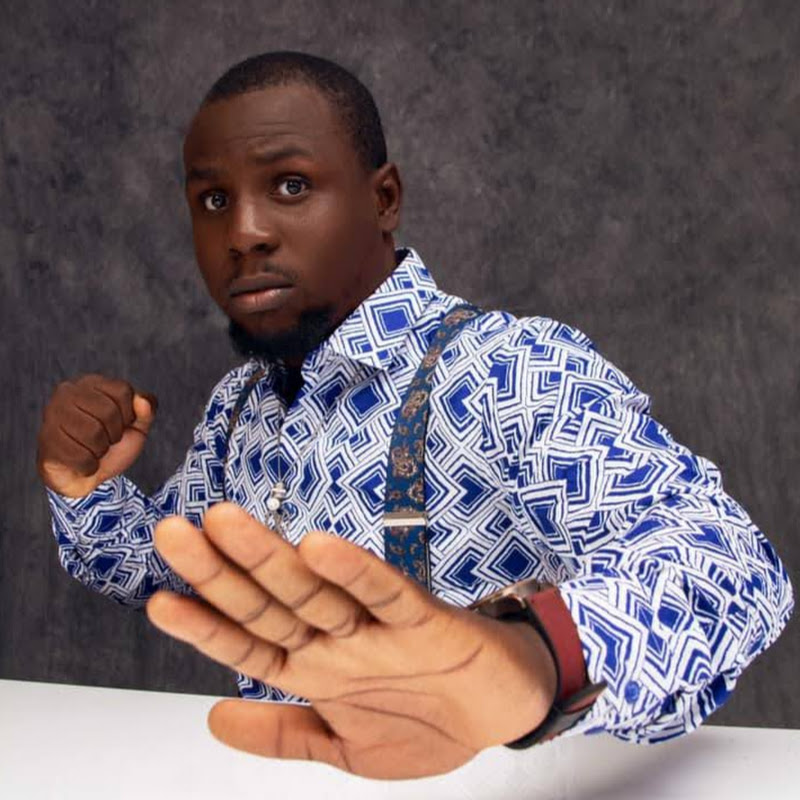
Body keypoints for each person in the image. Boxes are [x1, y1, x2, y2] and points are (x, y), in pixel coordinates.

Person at [37, 51, 793, 779]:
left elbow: (730, 567)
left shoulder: (507, 371)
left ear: (384, 199)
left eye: (291, 185)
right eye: (213, 201)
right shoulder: (240, 407)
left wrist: (529, 664)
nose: (244, 233)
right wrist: (82, 487)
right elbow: (173, 576)